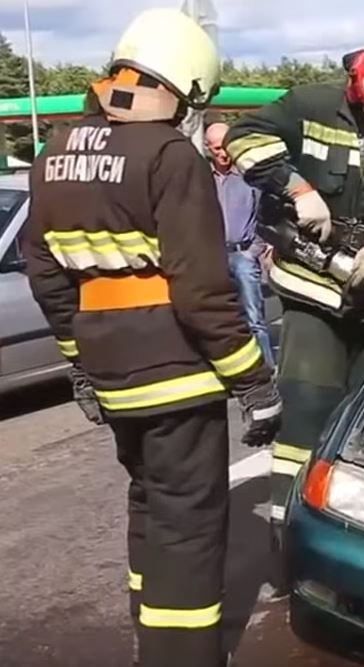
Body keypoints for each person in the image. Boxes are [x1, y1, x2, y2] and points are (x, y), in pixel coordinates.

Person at [21, 9, 282, 667]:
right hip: (176, 371)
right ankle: (183, 655)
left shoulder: (55, 152)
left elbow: (45, 272)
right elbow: (200, 288)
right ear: (186, 82)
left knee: (146, 503)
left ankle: (151, 639)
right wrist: (254, 382)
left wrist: (79, 361)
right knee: (188, 525)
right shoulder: (169, 155)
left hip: (110, 371)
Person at [224, 38, 364, 589]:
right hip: (310, 295)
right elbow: (242, 138)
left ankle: (358, 549)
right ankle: (291, 549)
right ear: (357, 96)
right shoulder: (310, 106)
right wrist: (297, 187)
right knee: (305, 419)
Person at [205, 122, 275, 368]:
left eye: (225, 147)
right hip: (212, 257)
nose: (222, 154)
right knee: (218, 319)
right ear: (207, 149)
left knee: (254, 317)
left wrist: (255, 249)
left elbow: (265, 214)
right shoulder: (202, 179)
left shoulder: (249, 178)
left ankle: (266, 369)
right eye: (216, 149)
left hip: (243, 254)